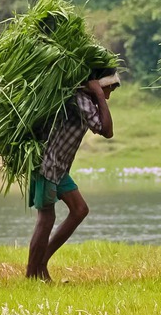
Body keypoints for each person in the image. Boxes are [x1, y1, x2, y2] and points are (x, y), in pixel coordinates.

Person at [25, 67, 119, 282]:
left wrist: (97, 94)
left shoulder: (82, 99)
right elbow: (107, 131)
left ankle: (41, 263)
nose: (108, 96)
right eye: (108, 90)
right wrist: (97, 94)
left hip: (59, 168)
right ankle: (32, 274)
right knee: (46, 217)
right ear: (98, 85)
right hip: (47, 165)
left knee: (79, 210)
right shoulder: (81, 99)